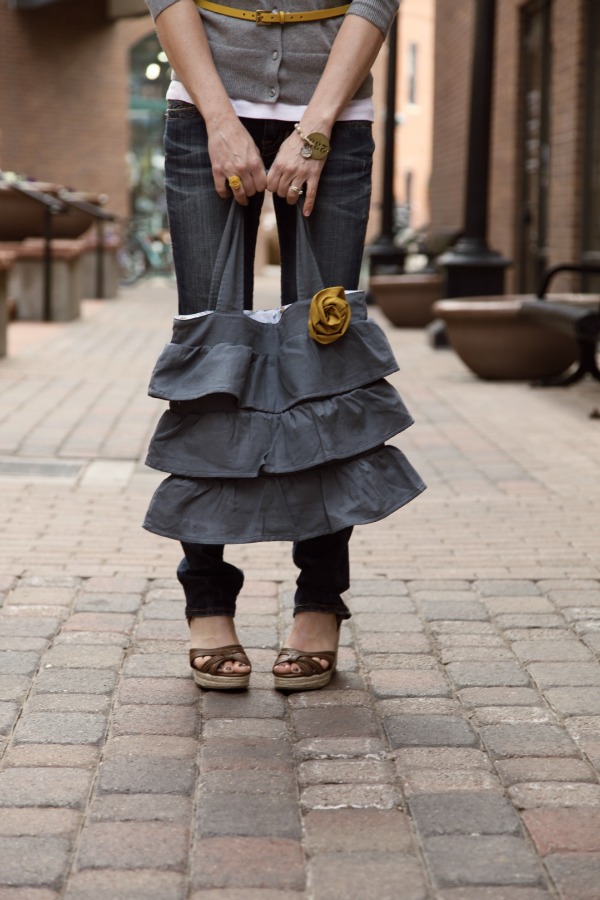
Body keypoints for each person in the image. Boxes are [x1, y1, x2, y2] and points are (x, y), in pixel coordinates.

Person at [144, 0, 410, 692]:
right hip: (206, 111)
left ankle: (320, 598)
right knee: (210, 357)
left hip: (336, 117)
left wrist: (314, 129)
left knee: (327, 362)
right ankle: (205, 598)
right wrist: (220, 118)